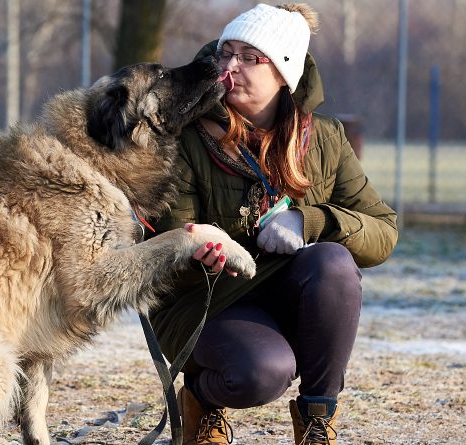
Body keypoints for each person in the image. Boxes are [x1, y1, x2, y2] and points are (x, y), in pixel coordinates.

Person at [148, 3, 398, 445]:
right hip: (208, 301)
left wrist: (310, 219)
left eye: (249, 57)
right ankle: (202, 400)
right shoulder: (186, 137)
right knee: (262, 373)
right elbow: (166, 252)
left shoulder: (324, 138)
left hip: (286, 292)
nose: (230, 67)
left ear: (284, 73)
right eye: (225, 54)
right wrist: (200, 254)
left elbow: (383, 231)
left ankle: (318, 417)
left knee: (334, 263)